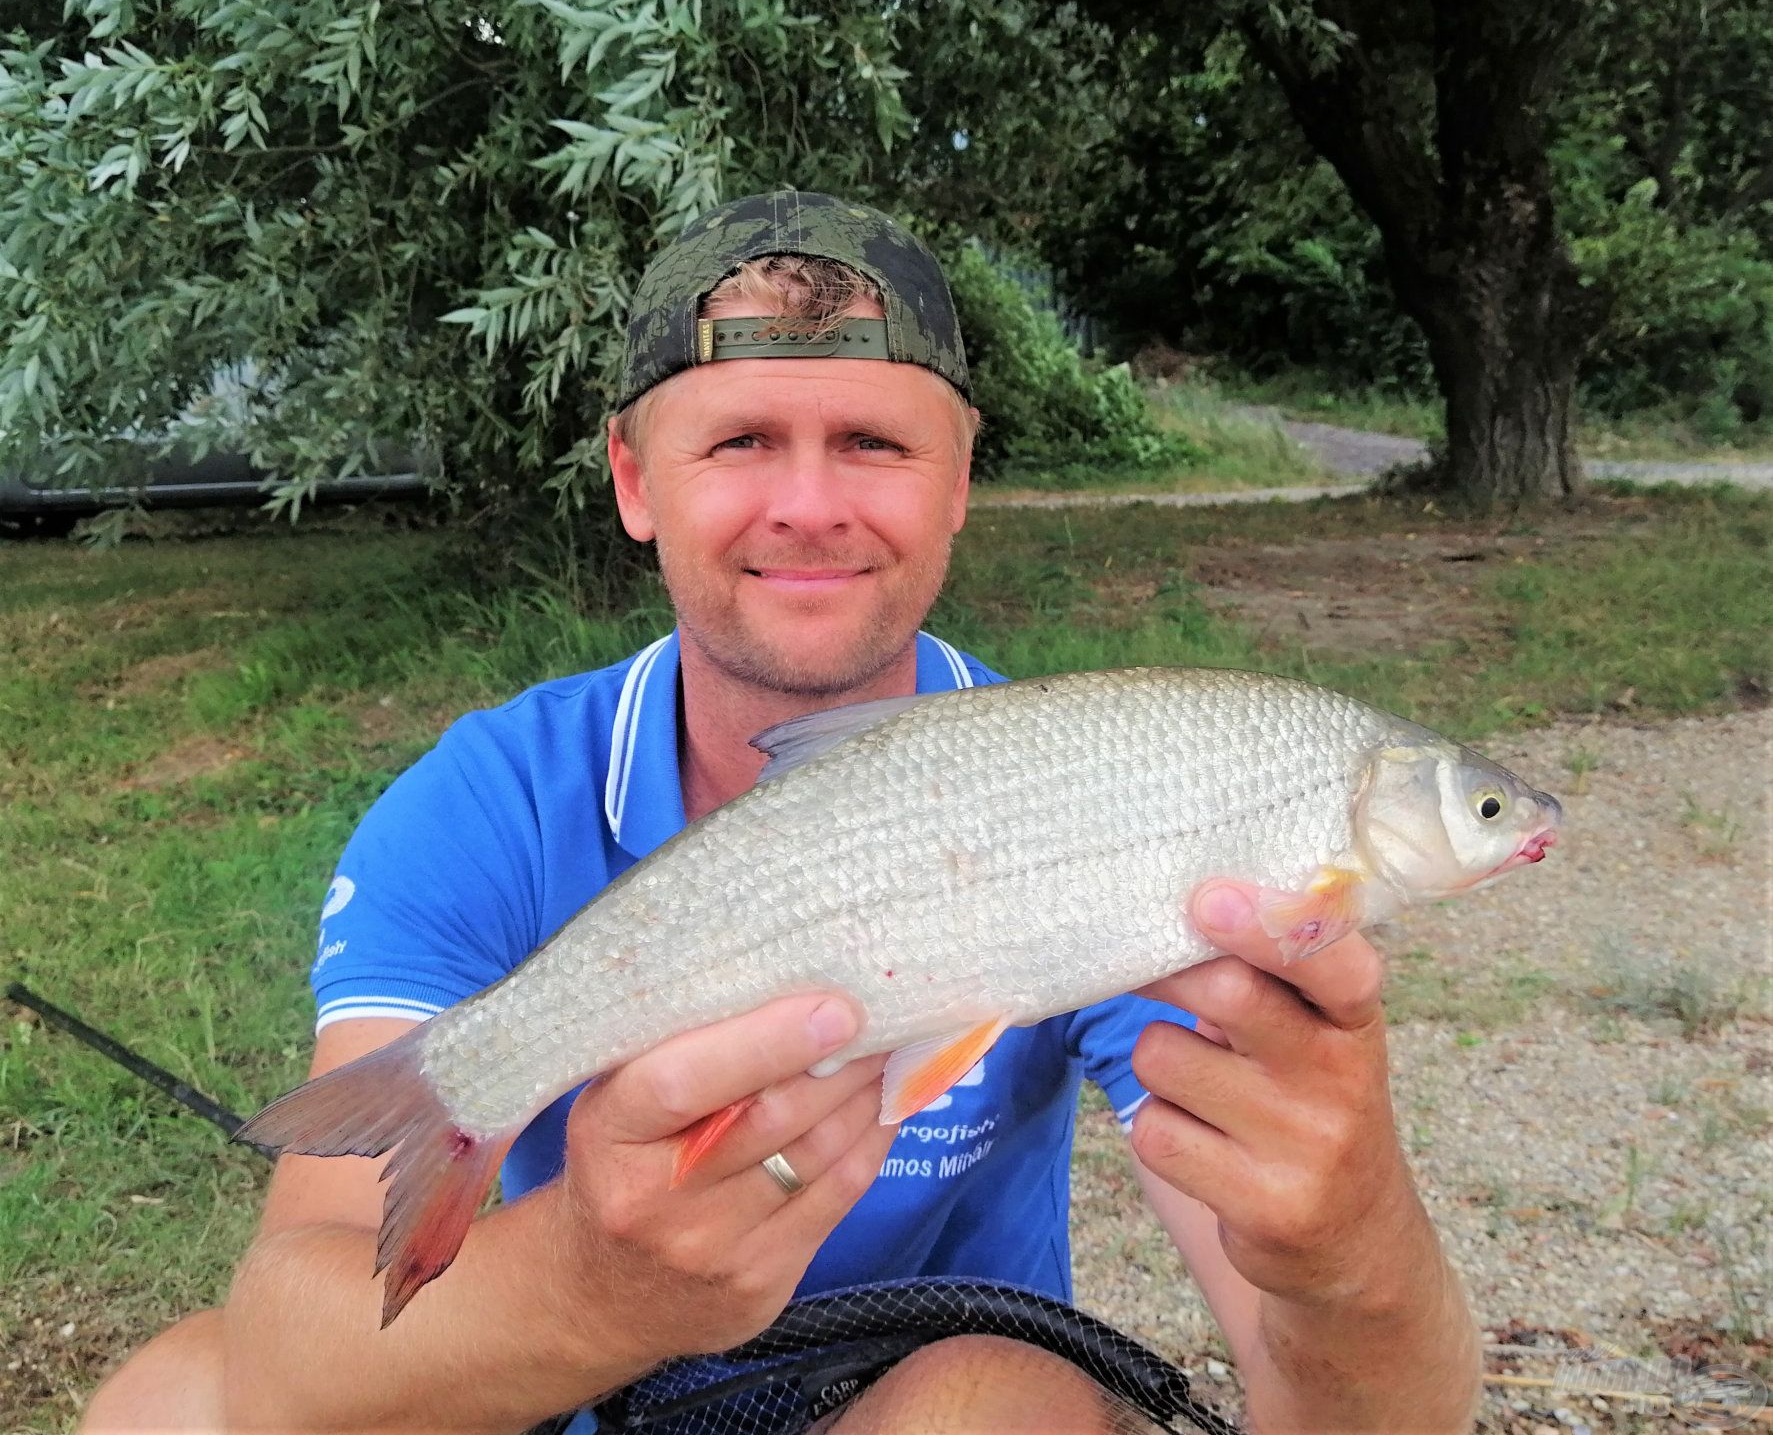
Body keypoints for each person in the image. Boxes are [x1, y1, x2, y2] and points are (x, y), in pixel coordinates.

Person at [84, 190, 1482, 1434]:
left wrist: (1350, 1249)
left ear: (956, 487)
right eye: (743, 437)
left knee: (999, 1410)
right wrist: (593, 1284)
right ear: (636, 481)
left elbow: (1354, 1415)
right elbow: (288, 1371)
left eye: (872, 442)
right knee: (168, 1403)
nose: (808, 506)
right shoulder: (483, 800)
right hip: (553, 1386)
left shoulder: (1103, 794)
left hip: (914, 1392)